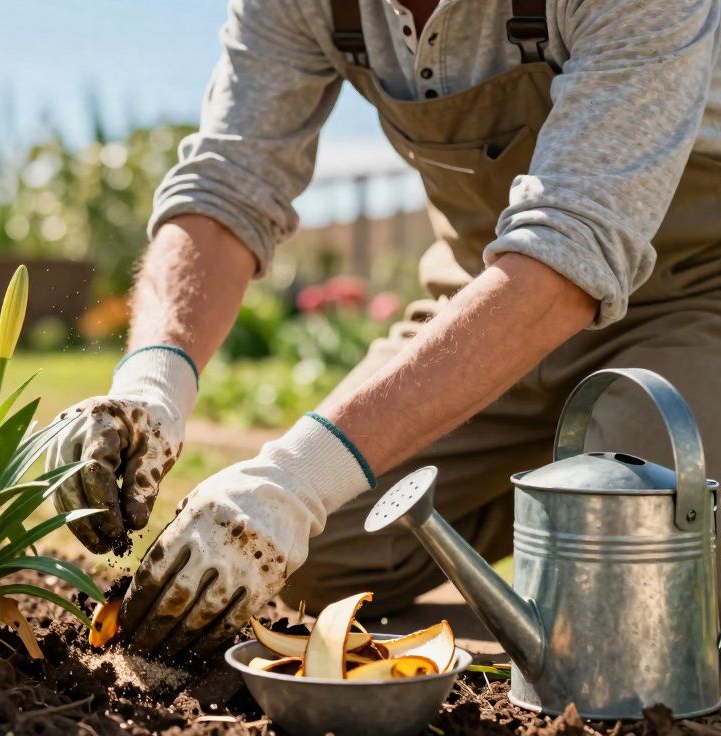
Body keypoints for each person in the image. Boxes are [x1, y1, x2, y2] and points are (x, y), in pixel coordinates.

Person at [44, 0, 721, 659]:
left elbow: (573, 247)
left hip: (692, 298)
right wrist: (151, 384)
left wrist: (301, 476)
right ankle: (562, 484)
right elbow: (229, 182)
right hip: (479, 300)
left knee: (636, 578)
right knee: (307, 553)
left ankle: (597, 496)